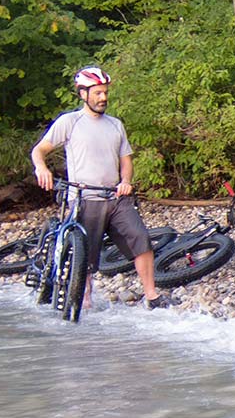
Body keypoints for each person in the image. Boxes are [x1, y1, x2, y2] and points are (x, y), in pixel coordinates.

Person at [30, 66, 173, 310]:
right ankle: (83, 299)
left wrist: (125, 181)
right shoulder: (70, 122)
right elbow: (39, 150)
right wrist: (41, 169)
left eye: (105, 92)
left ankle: (151, 296)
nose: (103, 97)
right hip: (85, 197)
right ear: (83, 94)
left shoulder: (115, 125)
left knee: (140, 239)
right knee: (86, 253)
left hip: (115, 197)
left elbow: (126, 160)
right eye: (97, 93)